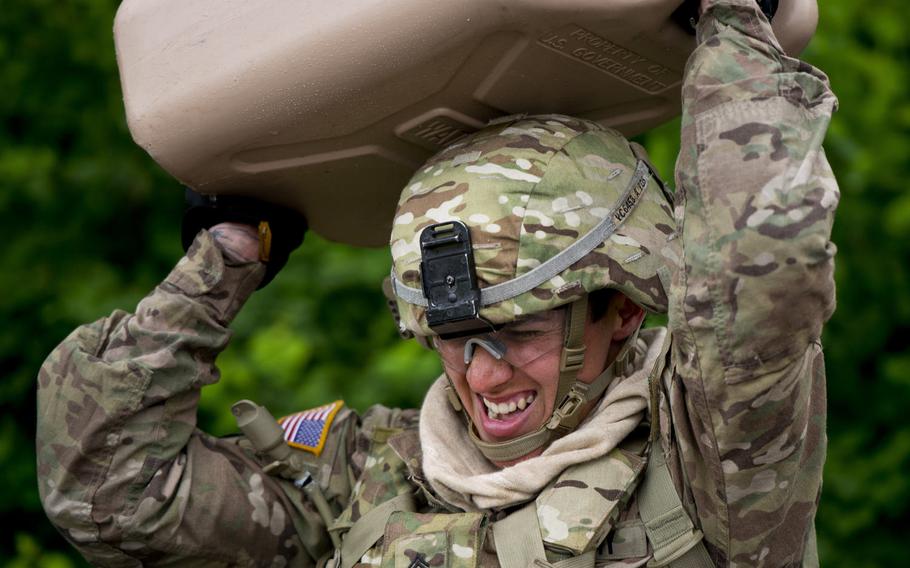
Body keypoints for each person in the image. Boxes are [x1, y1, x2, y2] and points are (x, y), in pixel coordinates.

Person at [36, 0, 838, 566]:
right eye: (454, 338)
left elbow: (761, 272)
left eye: (520, 331)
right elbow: (108, 493)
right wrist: (225, 260)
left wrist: (732, 26)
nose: (484, 375)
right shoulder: (365, 481)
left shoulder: (708, 456)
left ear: (621, 309)